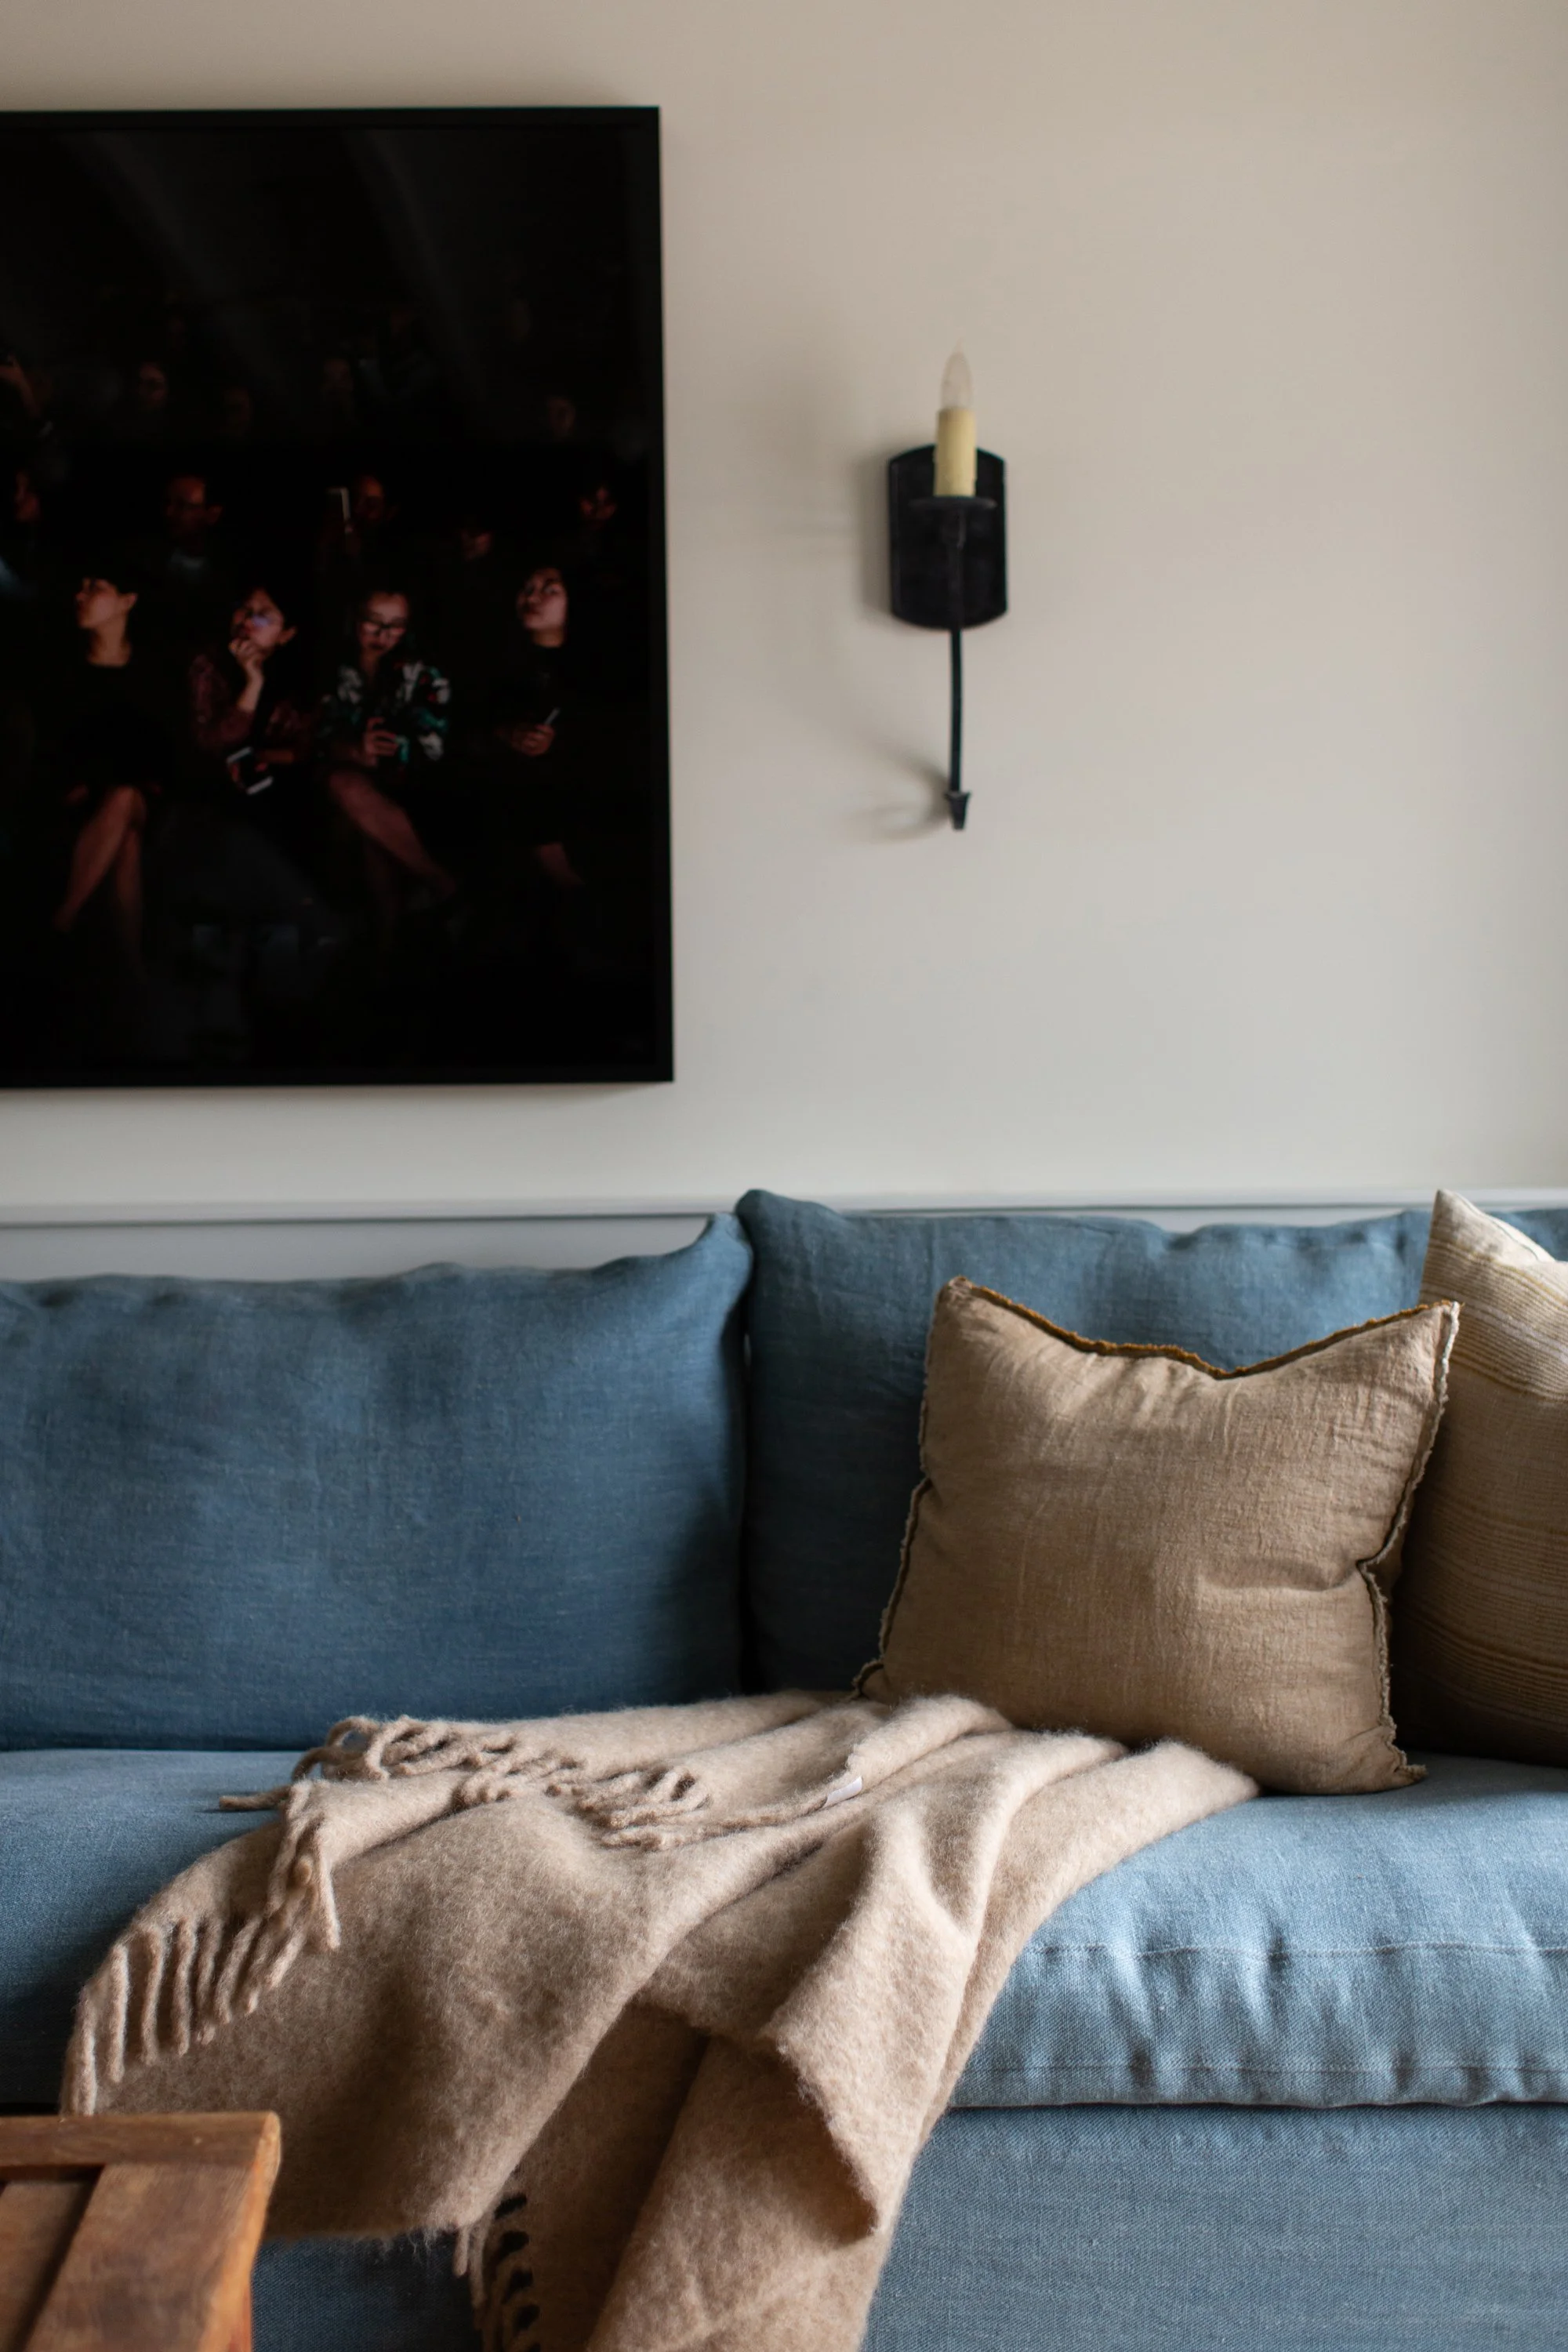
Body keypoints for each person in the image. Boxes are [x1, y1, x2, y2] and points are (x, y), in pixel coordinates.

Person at [50, 562, 173, 966]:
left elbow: (159, 752)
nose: (81, 595)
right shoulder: (65, 669)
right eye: (81, 586)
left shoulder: (152, 670)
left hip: (139, 793)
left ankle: (61, 923)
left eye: (96, 586)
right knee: (126, 844)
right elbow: (57, 747)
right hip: (83, 795)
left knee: (123, 797)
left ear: (127, 601)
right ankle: (132, 971)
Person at [321, 585, 455, 932]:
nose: (383, 635)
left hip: (415, 786)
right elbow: (320, 736)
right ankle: (390, 938)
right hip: (356, 786)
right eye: (374, 622)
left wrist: (382, 752)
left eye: (395, 625)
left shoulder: (422, 674)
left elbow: (433, 749)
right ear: (356, 620)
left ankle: (438, 888)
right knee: (350, 797)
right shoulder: (336, 669)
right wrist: (353, 750)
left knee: (353, 798)